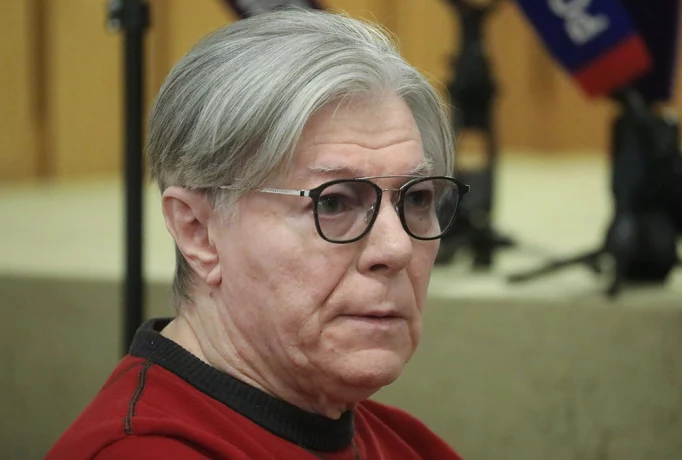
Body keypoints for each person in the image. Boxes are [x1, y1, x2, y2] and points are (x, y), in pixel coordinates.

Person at [47, 9, 468, 460]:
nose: (397, 248)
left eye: (417, 198)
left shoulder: (409, 444)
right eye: (333, 203)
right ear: (198, 232)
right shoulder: (142, 452)